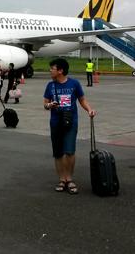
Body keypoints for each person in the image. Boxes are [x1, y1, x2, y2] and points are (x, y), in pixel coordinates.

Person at [43, 58, 96, 195]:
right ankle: (62, 179)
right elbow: (45, 104)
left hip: (71, 121)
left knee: (70, 151)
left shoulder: (74, 84)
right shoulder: (50, 85)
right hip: (55, 122)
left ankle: (69, 178)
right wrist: (49, 105)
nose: (50, 70)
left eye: (52, 68)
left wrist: (89, 109)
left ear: (60, 70)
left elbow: (82, 99)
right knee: (58, 153)